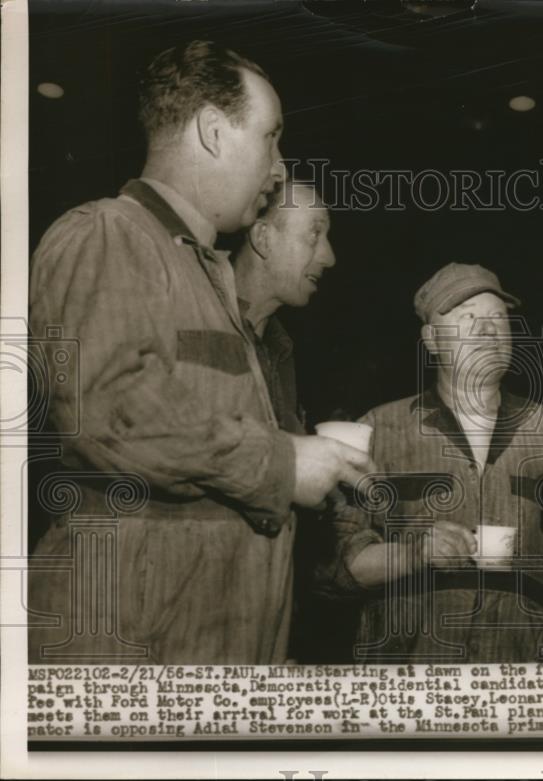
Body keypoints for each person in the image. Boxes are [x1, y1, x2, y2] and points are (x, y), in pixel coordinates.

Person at [28, 41, 375, 664]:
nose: (277, 166)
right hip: (127, 660)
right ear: (214, 133)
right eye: (270, 138)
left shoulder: (207, 275)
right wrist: (283, 463)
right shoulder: (108, 234)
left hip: (200, 653)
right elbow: (106, 411)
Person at [317, 263, 543, 662]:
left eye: (498, 318)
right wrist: (413, 556)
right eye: (468, 318)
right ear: (431, 340)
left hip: (522, 679)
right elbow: (328, 570)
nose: (488, 330)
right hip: (407, 684)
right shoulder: (377, 430)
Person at [233, 180, 336, 434]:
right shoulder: (199, 322)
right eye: (314, 234)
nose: (329, 258)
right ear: (263, 238)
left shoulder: (279, 348)